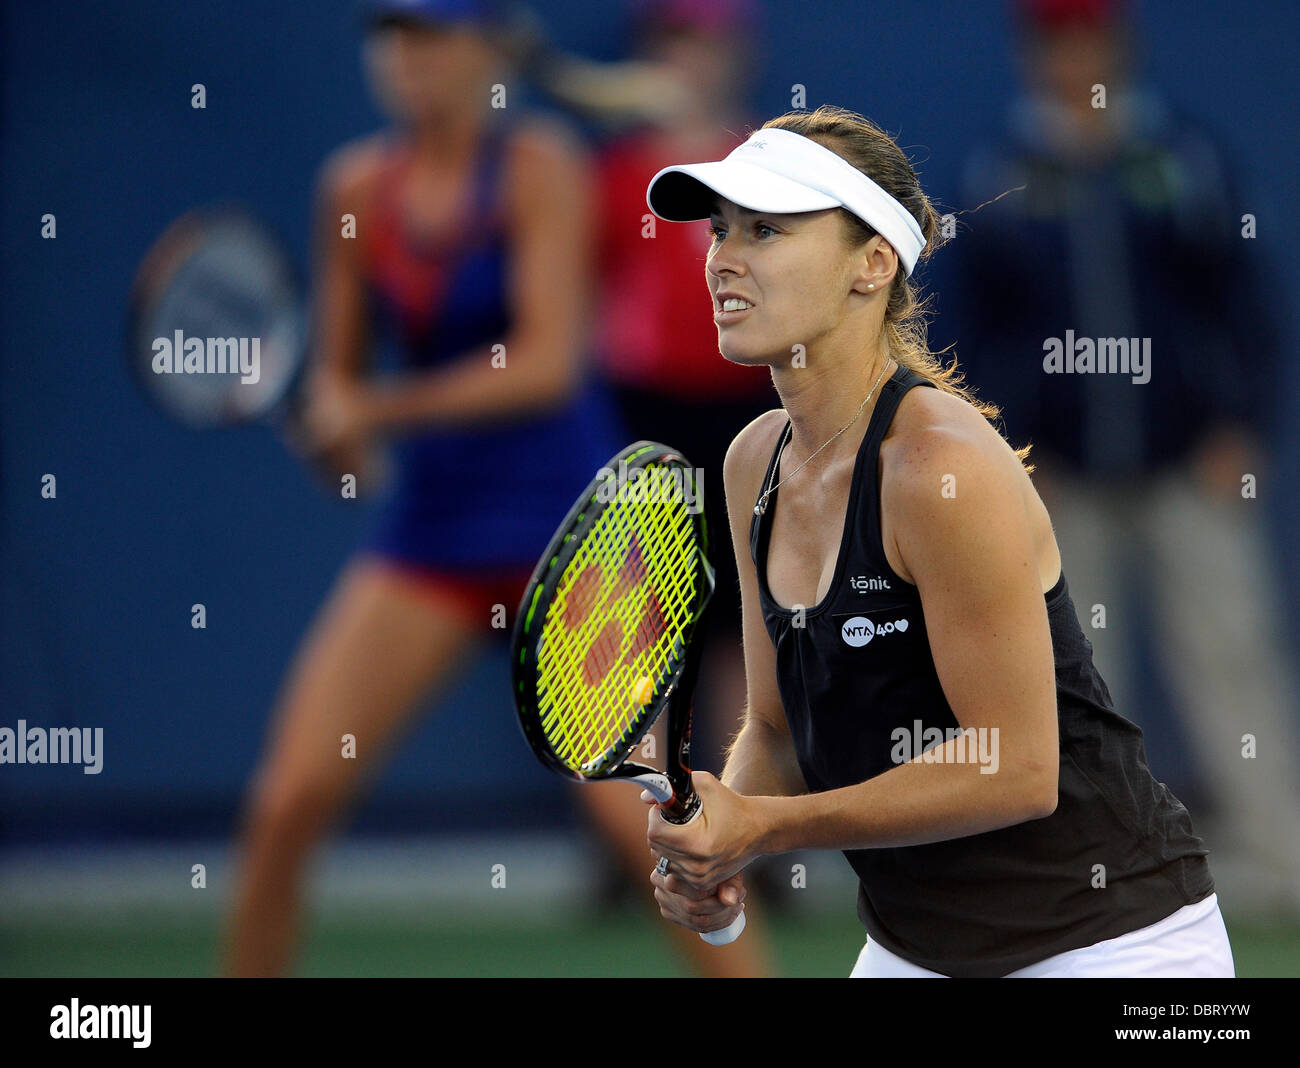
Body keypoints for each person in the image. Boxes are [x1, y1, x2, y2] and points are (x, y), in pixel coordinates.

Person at [638, 103, 1235, 977]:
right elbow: (773, 726)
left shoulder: (938, 470)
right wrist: (725, 831)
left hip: (1118, 948)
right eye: (721, 231)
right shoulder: (751, 462)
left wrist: (768, 827)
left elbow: (1017, 767)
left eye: (766, 230)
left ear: (873, 263)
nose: (723, 258)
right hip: (917, 949)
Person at [943, 0, 1300, 915]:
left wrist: (1242, 426)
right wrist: (1005, 447)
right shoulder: (1000, 170)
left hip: (1188, 464)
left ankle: (1282, 860)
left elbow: (1245, 302)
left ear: (1118, 47)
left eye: (1087, 39)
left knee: (1231, 653)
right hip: (1060, 475)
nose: (1072, 58)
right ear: (1033, 53)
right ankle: (1093, 871)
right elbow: (971, 331)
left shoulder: (1182, 156)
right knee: (1074, 674)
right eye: (1054, 41)